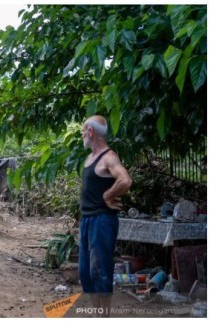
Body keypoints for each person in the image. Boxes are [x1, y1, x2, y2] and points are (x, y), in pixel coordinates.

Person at [79, 115, 132, 317]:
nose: (83, 134)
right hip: (87, 220)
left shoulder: (109, 157)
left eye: (84, 130)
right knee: (86, 273)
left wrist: (108, 194)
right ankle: (97, 315)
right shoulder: (90, 158)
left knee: (100, 271)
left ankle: (104, 317)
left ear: (91, 132)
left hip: (102, 220)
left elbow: (125, 180)